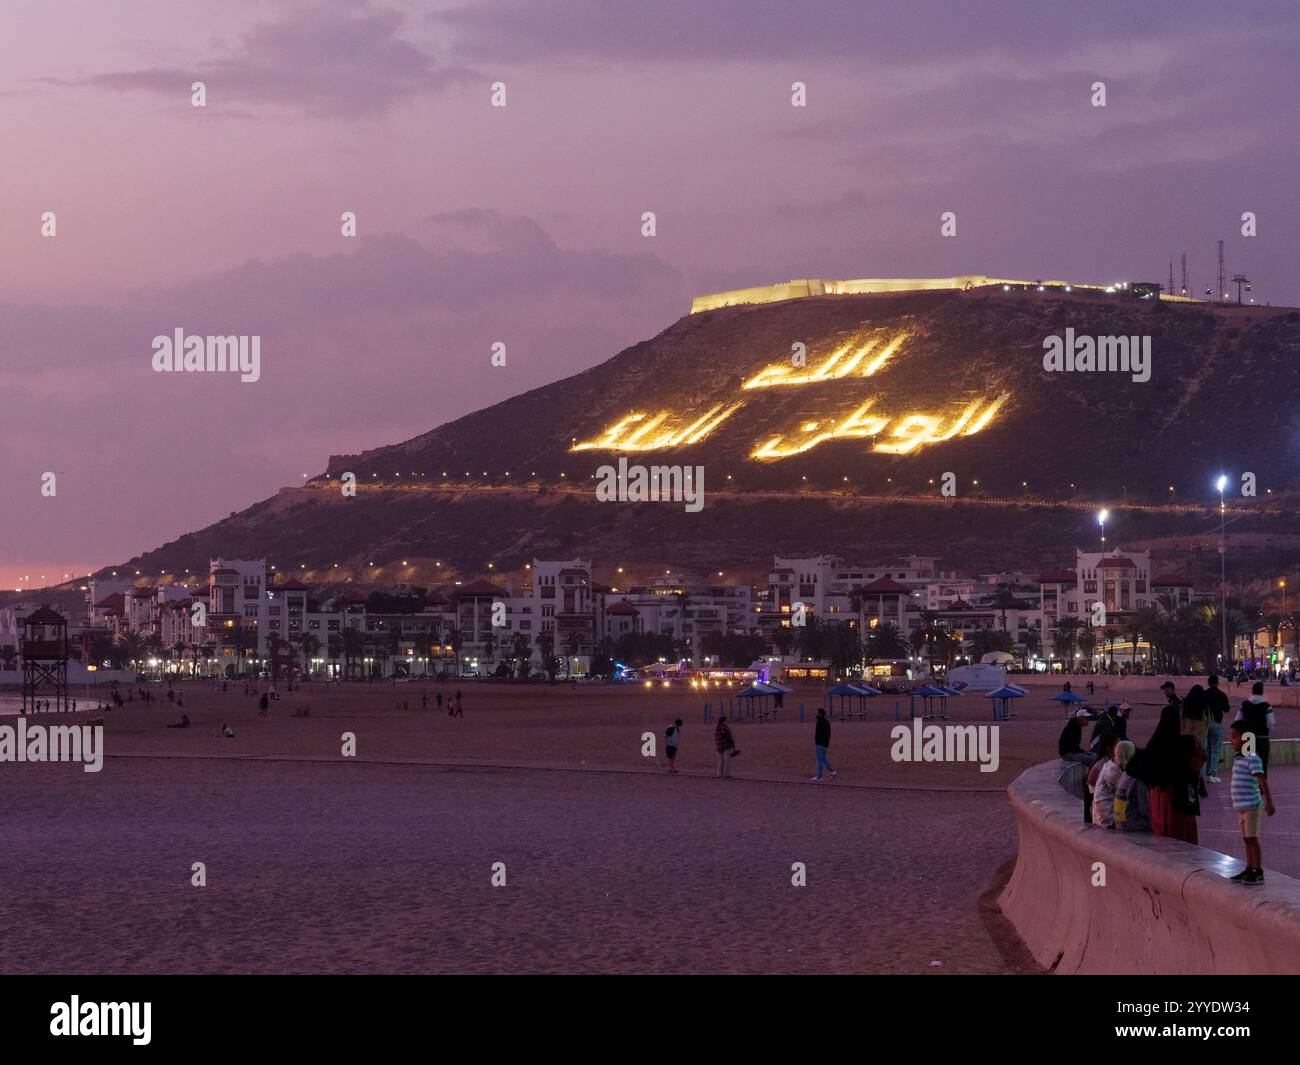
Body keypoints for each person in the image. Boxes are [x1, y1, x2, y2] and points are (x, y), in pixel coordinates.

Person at [1228, 720, 1276, 885]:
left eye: (1235, 737)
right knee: (1246, 839)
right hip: (1241, 807)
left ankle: (1258, 870)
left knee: (1252, 838)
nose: (1231, 740)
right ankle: (1250, 867)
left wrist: (1269, 801)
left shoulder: (1253, 758)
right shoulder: (1238, 758)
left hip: (1251, 806)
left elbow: (1262, 781)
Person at [1234, 682, 1274, 775]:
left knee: (1247, 764)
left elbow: (1237, 720)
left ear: (1252, 691)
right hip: (1262, 738)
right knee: (1262, 765)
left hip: (1248, 738)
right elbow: (1271, 723)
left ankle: (1247, 785)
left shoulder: (1245, 705)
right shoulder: (1266, 706)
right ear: (1262, 692)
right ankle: (1260, 787)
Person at [1093, 739, 1133, 828]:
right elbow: (1127, 795)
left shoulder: (1108, 764)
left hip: (1098, 815)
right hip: (1108, 818)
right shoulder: (1117, 772)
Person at [1204, 674, 1229, 783]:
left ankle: (1205, 772)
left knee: (1207, 749)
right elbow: (1226, 709)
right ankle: (1212, 773)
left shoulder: (1204, 694)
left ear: (1208, 683)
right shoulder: (1222, 695)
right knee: (1215, 750)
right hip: (1216, 723)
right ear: (1217, 683)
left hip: (1205, 724)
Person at [810, 707, 836, 783]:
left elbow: (819, 734)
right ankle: (831, 772)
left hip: (820, 744)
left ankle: (820, 776)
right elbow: (828, 733)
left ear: (820, 714)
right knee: (823, 759)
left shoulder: (820, 722)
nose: (817, 714)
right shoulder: (826, 722)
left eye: (818, 713)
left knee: (819, 760)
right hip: (824, 744)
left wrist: (817, 742)